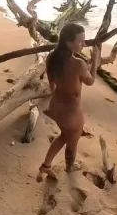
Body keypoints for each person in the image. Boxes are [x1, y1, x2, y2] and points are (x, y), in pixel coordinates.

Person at [37, 22, 101, 180]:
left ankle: (46, 166)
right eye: (81, 41)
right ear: (68, 41)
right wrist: (95, 63)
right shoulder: (78, 63)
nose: (84, 44)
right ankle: (69, 168)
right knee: (71, 146)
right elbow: (90, 81)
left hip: (56, 108)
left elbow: (52, 85)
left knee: (63, 136)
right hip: (72, 114)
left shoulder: (52, 56)